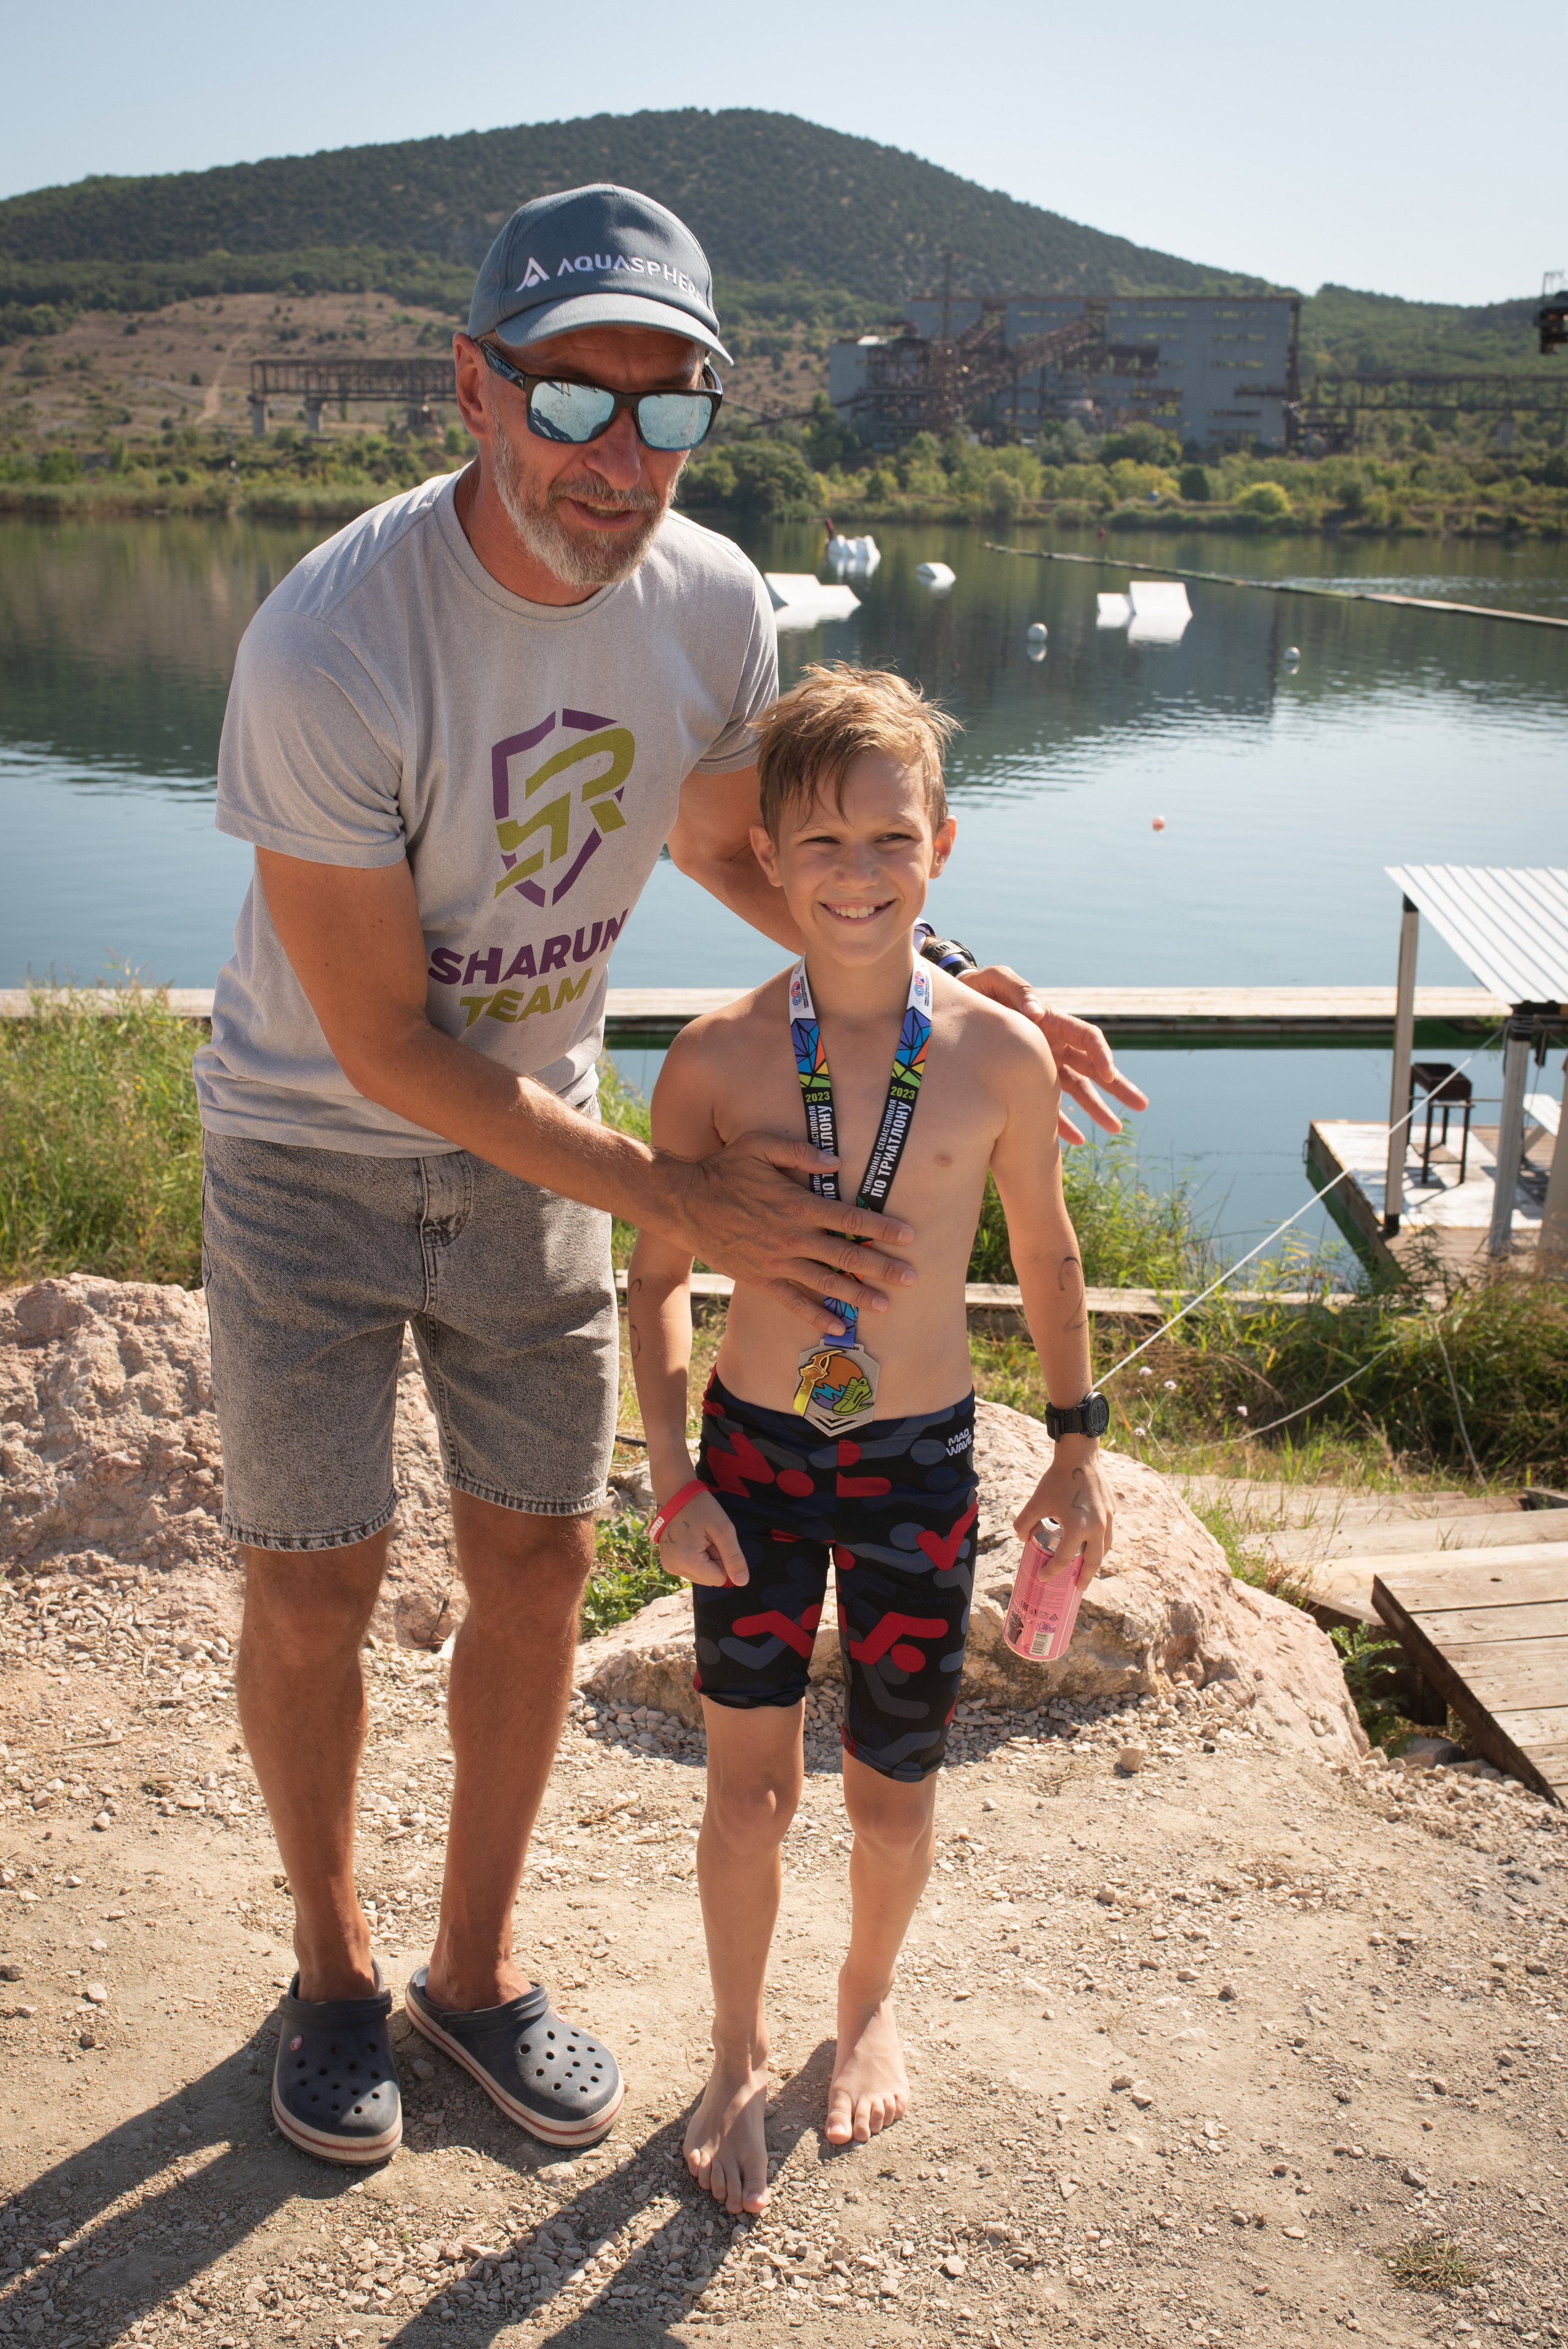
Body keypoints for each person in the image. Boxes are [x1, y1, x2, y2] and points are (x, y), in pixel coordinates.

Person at [196, 178, 1144, 2166]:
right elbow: (381, 1040)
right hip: (311, 1146)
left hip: (544, 1126)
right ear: (476, 386)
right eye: (573, 397)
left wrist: (959, 985)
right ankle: (333, 1972)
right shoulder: (332, 643)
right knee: (318, 1585)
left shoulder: (713, 601)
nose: (621, 457)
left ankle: (470, 1974)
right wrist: (680, 1204)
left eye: (672, 407)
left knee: (537, 1561)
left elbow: (733, 845)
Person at [626, 665, 1116, 2214]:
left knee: (891, 1785)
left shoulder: (995, 1057)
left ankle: (865, 2000)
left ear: (942, 850)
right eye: (821, 844)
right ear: (765, 858)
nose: (855, 874)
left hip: (915, 1466)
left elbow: (1046, 1258)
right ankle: (728, 2048)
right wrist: (670, 1479)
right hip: (755, 1464)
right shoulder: (709, 1058)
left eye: (887, 841)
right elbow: (650, 1289)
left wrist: (1074, 1446)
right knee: (744, 1789)